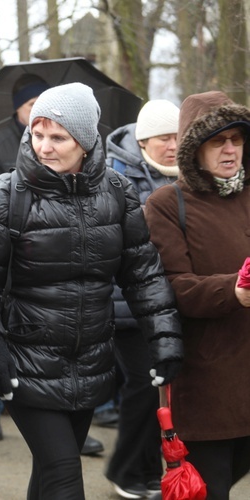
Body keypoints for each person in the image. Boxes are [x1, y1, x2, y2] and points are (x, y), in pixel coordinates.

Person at [0, 82, 183, 499]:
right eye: (37, 134)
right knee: (64, 477)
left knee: (48, 478)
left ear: (85, 141)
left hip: (92, 363)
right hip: (26, 363)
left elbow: (142, 273)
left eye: (58, 137)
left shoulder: (117, 193)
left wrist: (163, 339)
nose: (44, 146)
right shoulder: (4, 196)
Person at [144, 91, 250, 500]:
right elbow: (173, 287)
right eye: (217, 141)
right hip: (208, 386)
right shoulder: (167, 204)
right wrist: (233, 290)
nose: (229, 149)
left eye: (237, 139)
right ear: (194, 149)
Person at [104, 98, 181, 499]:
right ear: (143, 141)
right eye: (163, 138)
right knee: (142, 385)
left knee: (163, 387)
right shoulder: (117, 176)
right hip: (128, 305)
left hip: (171, 301)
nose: (172, 145)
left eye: (177, 137)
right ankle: (127, 470)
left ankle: (151, 469)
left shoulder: (185, 174)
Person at [0, 74, 50, 194]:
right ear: (18, 107)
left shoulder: (60, 141)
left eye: (43, 103)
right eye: (32, 104)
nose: (39, 110)